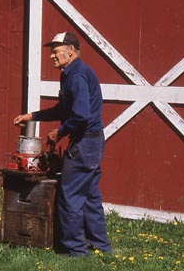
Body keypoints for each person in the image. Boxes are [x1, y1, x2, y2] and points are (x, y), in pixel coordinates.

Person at [14, 32, 112, 256]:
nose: (51, 56)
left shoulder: (77, 76)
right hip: (92, 142)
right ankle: (100, 245)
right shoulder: (71, 74)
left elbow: (80, 115)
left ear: (72, 51)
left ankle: (75, 250)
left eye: (56, 50)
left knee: (70, 195)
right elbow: (63, 110)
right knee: (90, 195)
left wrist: (59, 132)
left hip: (85, 142)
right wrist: (32, 116)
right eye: (52, 51)